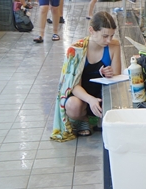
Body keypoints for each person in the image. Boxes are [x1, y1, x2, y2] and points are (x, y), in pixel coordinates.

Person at [51, 12, 122, 140]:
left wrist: (109, 74)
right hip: (82, 97)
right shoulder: (76, 50)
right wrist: (90, 100)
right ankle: (83, 119)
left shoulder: (114, 46)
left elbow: (117, 78)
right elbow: (72, 86)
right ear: (91, 31)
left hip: (101, 94)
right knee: (73, 105)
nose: (109, 40)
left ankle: (96, 118)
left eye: (111, 36)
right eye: (105, 36)